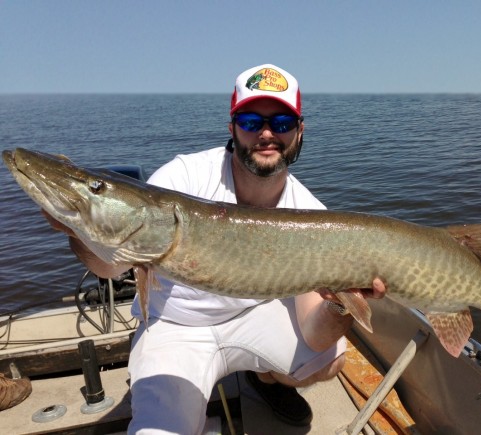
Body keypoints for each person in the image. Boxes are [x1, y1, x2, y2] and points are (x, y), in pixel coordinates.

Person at [47, 64, 386, 434]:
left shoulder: (311, 216)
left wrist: (341, 302)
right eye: (252, 121)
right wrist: (80, 229)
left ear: (300, 132)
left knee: (329, 356)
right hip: (177, 327)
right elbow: (108, 268)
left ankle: (267, 379)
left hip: (253, 319)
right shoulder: (182, 177)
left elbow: (313, 331)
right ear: (232, 129)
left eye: (282, 123)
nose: (267, 134)